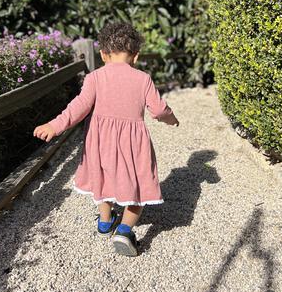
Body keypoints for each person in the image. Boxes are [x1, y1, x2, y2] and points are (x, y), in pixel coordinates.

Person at [33, 23, 179, 256]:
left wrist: (55, 125)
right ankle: (124, 230)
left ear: (103, 54)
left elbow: (78, 107)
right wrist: (171, 119)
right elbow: (159, 110)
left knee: (102, 180)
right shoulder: (143, 79)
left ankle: (104, 221)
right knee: (137, 185)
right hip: (133, 144)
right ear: (136, 56)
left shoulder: (94, 77)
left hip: (100, 143)